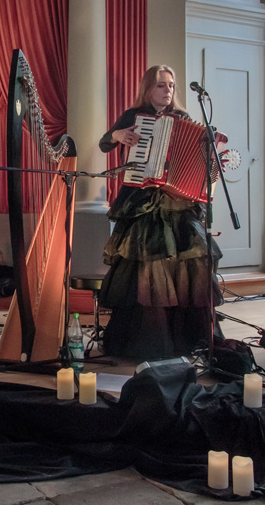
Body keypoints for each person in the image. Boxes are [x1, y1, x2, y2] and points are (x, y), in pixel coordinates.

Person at [98, 65, 222, 360]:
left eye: (171, 86)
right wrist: (118, 135)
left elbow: (196, 160)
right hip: (145, 201)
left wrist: (213, 157)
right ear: (148, 89)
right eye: (161, 85)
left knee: (189, 267)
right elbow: (105, 143)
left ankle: (187, 336)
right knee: (150, 269)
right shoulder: (134, 116)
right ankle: (151, 339)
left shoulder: (184, 119)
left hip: (179, 203)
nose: (167, 91)